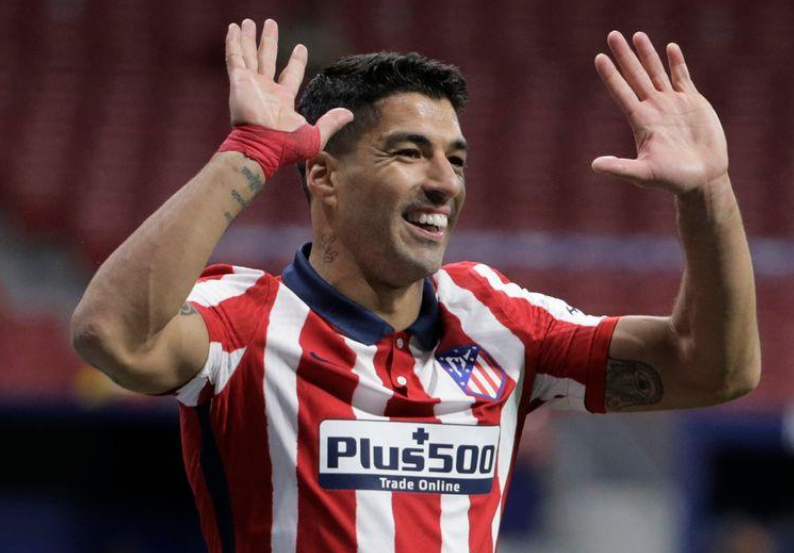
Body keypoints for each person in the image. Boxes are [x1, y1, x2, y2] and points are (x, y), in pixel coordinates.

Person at [70, 17, 761, 553]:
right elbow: (109, 334)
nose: (444, 182)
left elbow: (716, 369)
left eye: (455, 160)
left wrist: (708, 195)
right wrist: (248, 153)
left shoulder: (499, 320)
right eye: (409, 152)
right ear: (324, 177)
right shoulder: (246, 321)